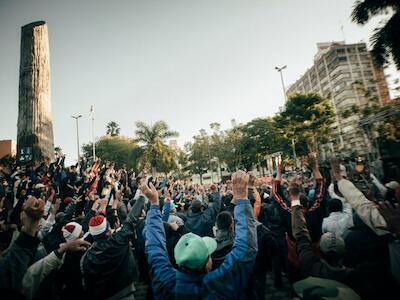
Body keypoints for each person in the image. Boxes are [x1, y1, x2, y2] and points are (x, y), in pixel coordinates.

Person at [143, 171, 257, 299]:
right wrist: (241, 197)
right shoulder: (218, 285)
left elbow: (154, 248)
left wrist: (154, 205)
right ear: (208, 266)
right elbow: (245, 250)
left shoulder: (164, 283)